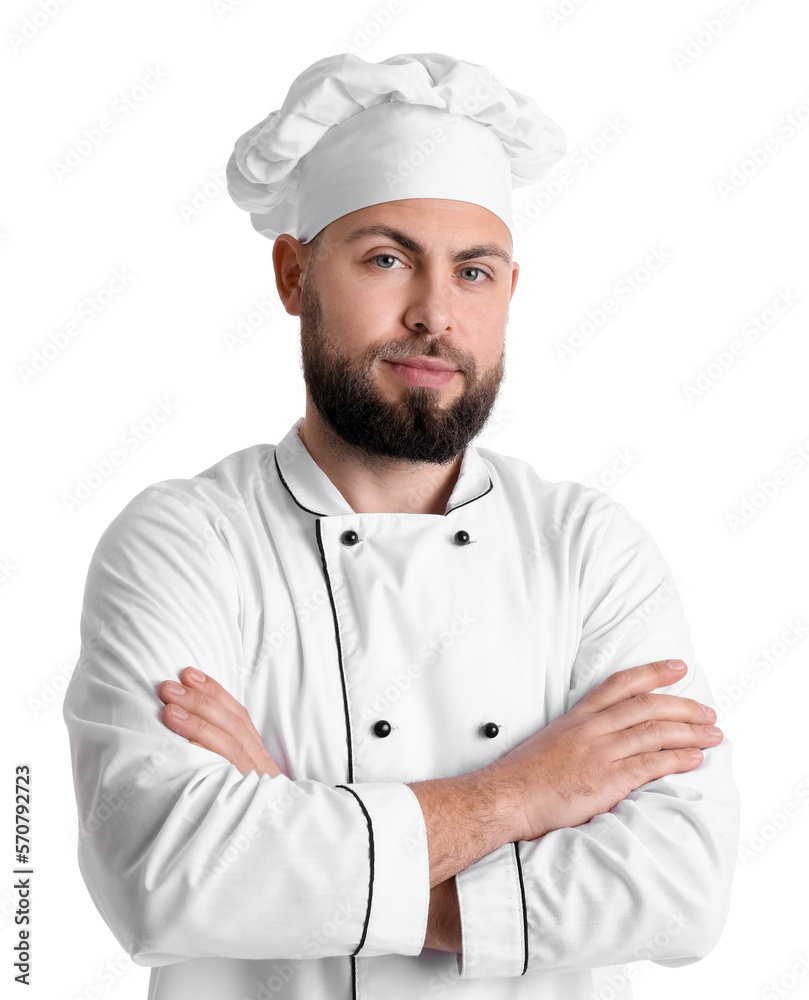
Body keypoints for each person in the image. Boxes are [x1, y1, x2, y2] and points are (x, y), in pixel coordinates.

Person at [62, 51, 741, 1000]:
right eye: (386, 259)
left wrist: (285, 830)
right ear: (294, 274)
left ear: (509, 292)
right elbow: (162, 877)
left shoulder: (590, 550)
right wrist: (522, 796)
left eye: (473, 272)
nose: (434, 314)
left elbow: (678, 893)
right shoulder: (184, 541)